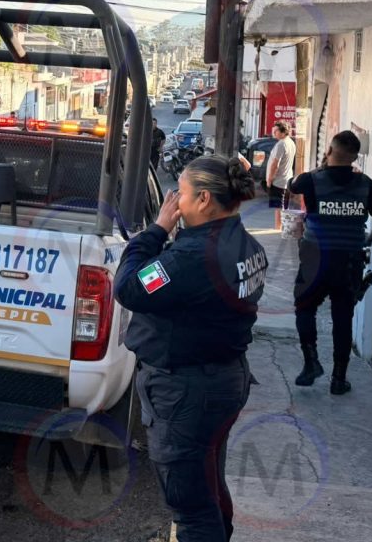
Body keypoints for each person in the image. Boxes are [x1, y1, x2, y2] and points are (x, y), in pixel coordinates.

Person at [115, 156, 265, 541]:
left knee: (191, 506)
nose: (174, 204)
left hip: (187, 392)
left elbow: (129, 287)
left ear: (203, 199)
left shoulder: (191, 258)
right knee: (208, 485)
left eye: (180, 194)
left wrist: (156, 230)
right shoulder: (245, 244)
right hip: (222, 379)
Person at [289, 130, 372, 395]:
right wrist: (367, 240)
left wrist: (321, 167)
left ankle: (311, 363)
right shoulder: (368, 185)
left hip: (315, 259)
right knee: (343, 317)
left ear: (329, 150)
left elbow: (291, 184)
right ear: (355, 157)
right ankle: (338, 379)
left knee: (305, 308)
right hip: (349, 260)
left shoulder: (311, 180)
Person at [264, 120, 296, 230]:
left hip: (278, 181)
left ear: (283, 132)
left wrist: (269, 179)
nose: (274, 132)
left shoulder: (281, 144)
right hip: (287, 179)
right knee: (283, 206)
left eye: (276, 130)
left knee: (278, 207)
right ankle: (281, 228)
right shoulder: (291, 142)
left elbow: (275, 164)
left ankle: (278, 229)